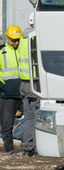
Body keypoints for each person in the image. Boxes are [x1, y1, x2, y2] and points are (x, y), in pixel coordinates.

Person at [0, 25, 32, 156]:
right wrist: (3, 87)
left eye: (18, 40)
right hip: (7, 95)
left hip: (21, 92)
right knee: (6, 125)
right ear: (7, 38)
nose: (16, 42)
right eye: (13, 40)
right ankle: (9, 150)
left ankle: (28, 146)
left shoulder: (20, 50)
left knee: (30, 119)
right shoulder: (2, 52)